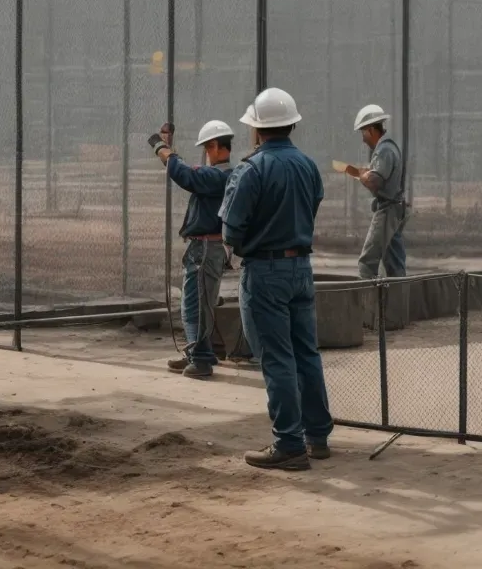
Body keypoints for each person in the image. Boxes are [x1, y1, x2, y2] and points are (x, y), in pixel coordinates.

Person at [221, 87, 332, 470]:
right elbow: (312, 206)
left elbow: (231, 230)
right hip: (301, 268)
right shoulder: (308, 166)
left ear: (256, 130)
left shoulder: (251, 169)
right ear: (292, 125)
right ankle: (317, 437)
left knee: (277, 358)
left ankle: (289, 444)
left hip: (265, 272)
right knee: (306, 354)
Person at [153, 119, 235, 378]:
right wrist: (168, 150)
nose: (205, 153)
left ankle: (200, 360)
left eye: (206, 148)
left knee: (195, 305)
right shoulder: (222, 176)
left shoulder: (219, 176)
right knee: (201, 303)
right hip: (208, 248)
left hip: (206, 249)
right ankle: (198, 352)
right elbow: (187, 172)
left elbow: (185, 175)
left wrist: (161, 149)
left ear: (213, 145)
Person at [341, 104, 407, 279]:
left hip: (388, 211)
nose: (363, 139)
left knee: (367, 262)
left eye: (363, 133)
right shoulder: (389, 147)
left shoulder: (384, 149)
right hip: (395, 209)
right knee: (394, 262)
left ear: (371, 130)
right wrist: (365, 171)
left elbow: (374, 181)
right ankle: (397, 302)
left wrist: (362, 176)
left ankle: (366, 304)